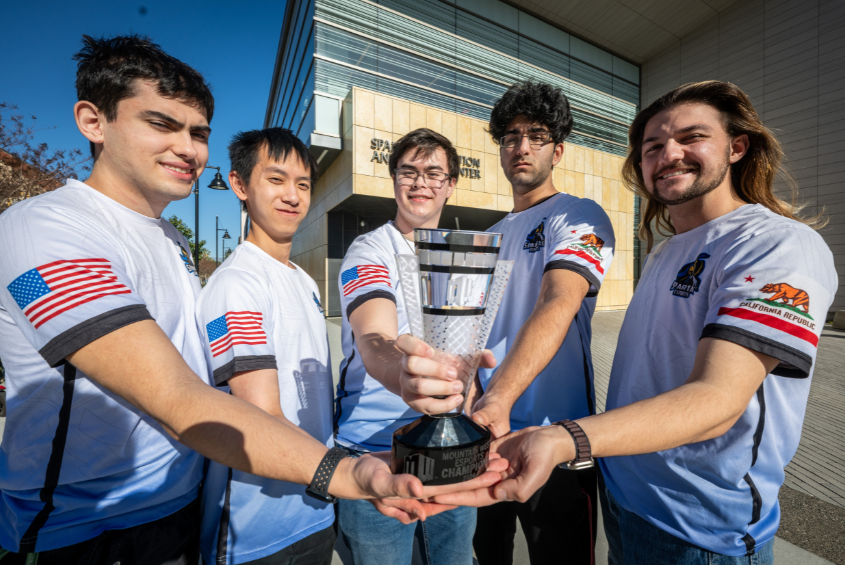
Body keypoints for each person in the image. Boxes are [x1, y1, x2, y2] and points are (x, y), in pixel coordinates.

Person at [0, 35, 503, 564]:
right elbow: (177, 398)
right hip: (85, 529)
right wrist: (348, 470)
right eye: (161, 124)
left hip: (190, 506)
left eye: (198, 133)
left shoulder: (177, 245)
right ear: (93, 121)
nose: (188, 148)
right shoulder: (46, 228)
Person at [427, 81, 837, 565]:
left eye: (692, 137)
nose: (670, 154)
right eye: (653, 146)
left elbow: (716, 399)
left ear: (737, 147)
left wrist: (556, 431)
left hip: (696, 527)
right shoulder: (664, 252)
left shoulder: (775, 243)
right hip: (615, 493)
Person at [458, 81, 614, 565]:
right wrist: (472, 406)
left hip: (557, 440)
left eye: (537, 136)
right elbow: (471, 337)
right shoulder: (488, 237)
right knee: (488, 556)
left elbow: (557, 300)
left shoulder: (579, 215)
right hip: (487, 437)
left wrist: (499, 397)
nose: (521, 147)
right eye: (511, 137)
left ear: (558, 150)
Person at [334, 128, 488, 564]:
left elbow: (466, 353)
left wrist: (475, 399)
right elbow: (374, 337)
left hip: (450, 449)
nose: (421, 182)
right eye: (409, 172)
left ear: (450, 185)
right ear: (394, 180)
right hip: (375, 452)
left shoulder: (459, 258)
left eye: (434, 173)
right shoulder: (370, 249)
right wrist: (402, 376)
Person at [195, 128, 336, 564]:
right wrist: (345, 474)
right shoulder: (237, 283)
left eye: (303, 184)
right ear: (239, 185)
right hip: (255, 530)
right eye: (276, 180)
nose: (292, 196)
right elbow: (260, 415)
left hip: (316, 512)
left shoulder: (304, 280)